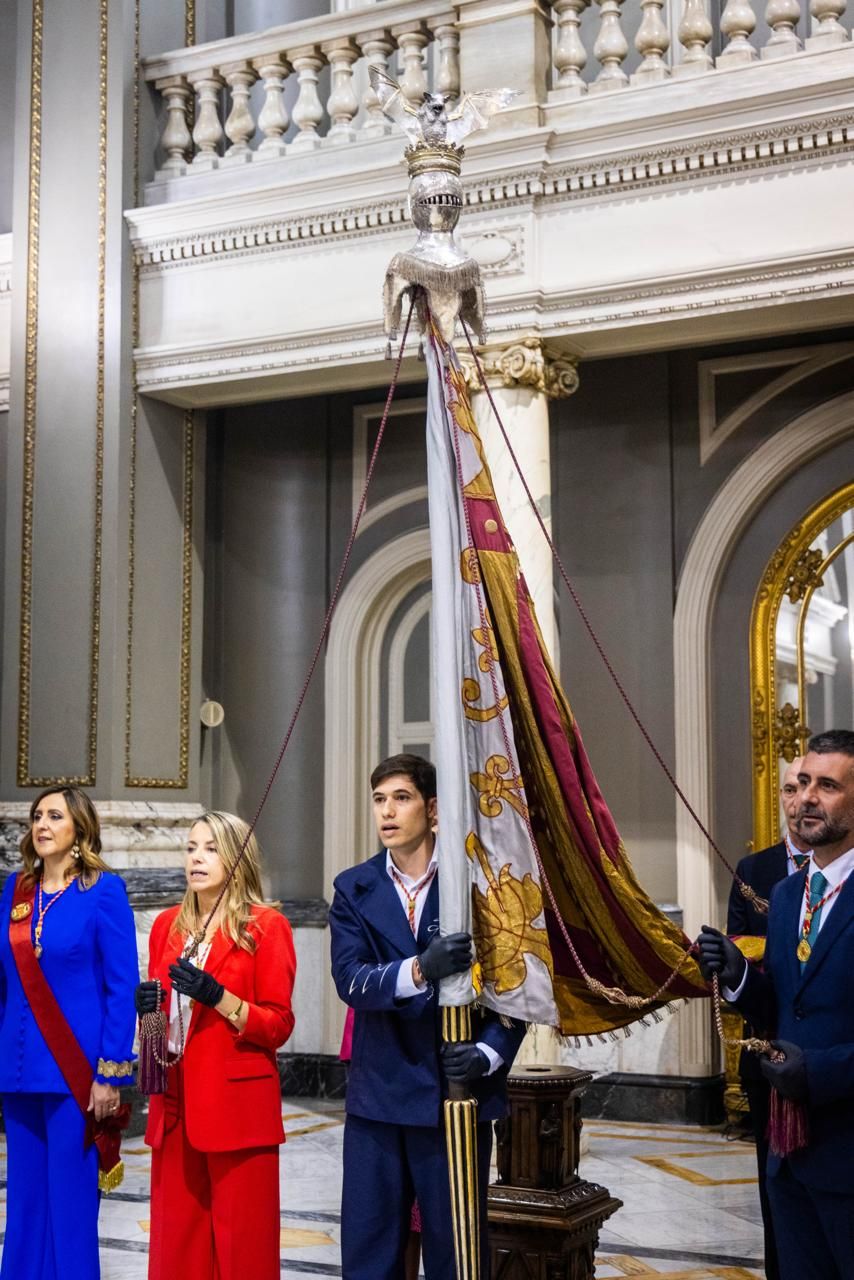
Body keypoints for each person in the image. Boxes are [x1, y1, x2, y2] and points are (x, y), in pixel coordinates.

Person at [329, 752, 526, 1280]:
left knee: (455, 1250)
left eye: (401, 798)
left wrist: (486, 1055)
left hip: (455, 1095)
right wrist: (421, 969)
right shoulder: (353, 887)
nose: (387, 812)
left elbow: (512, 984)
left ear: (432, 808)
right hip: (380, 1094)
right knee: (372, 1249)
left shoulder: (477, 884)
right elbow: (351, 981)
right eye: (378, 800)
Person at [698, 730, 854, 1280]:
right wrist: (738, 976)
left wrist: (822, 1072)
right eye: (803, 782)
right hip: (788, 1152)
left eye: (828, 786)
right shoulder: (789, 895)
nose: (806, 797)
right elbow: (788, 1005)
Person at [136, 811, 296, 1280]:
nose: (197, 858)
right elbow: (158, 1043)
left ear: (236, 858)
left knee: (243, 1248)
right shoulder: (168, 925)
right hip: (174, 1107)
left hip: (238, 1110)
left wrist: (219, 997)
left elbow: (278, 1025)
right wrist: (145, 1013)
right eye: (190, 848)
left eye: (210, 848)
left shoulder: (266, 927)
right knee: (176, 1249)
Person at [0, 786, 138, 1280]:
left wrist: (109, 1073)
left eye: (54, 815)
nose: (41, 824)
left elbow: (122, 988)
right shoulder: (16, 891)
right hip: (17, 1073)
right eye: (36, 816)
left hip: (73, 1073)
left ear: (78, 828)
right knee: (25, 1205)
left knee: (71, 1207)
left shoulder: (103, 891)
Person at [726, 756, 811, 1280]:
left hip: (830, 1061)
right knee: (775, 1192)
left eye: (814, 785)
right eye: (789, 788)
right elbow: (741, 945)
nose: (798, 799)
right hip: (767, 1053)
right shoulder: (756, 870)